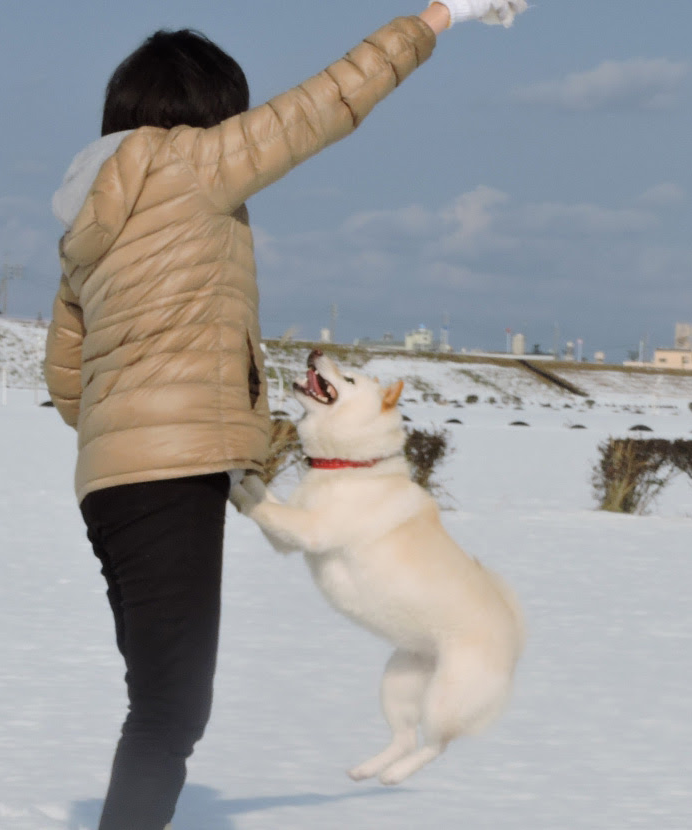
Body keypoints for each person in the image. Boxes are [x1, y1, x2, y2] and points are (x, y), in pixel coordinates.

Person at [44, 2, 522, 828]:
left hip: (109, 484)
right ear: (211, 109)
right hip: (172, 478)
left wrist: (129, 434)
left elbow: (66, 379)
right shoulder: (196, 163)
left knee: (155, 699)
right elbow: (333, 98)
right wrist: (442, 15)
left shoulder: (86, 216)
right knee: (169, 712)